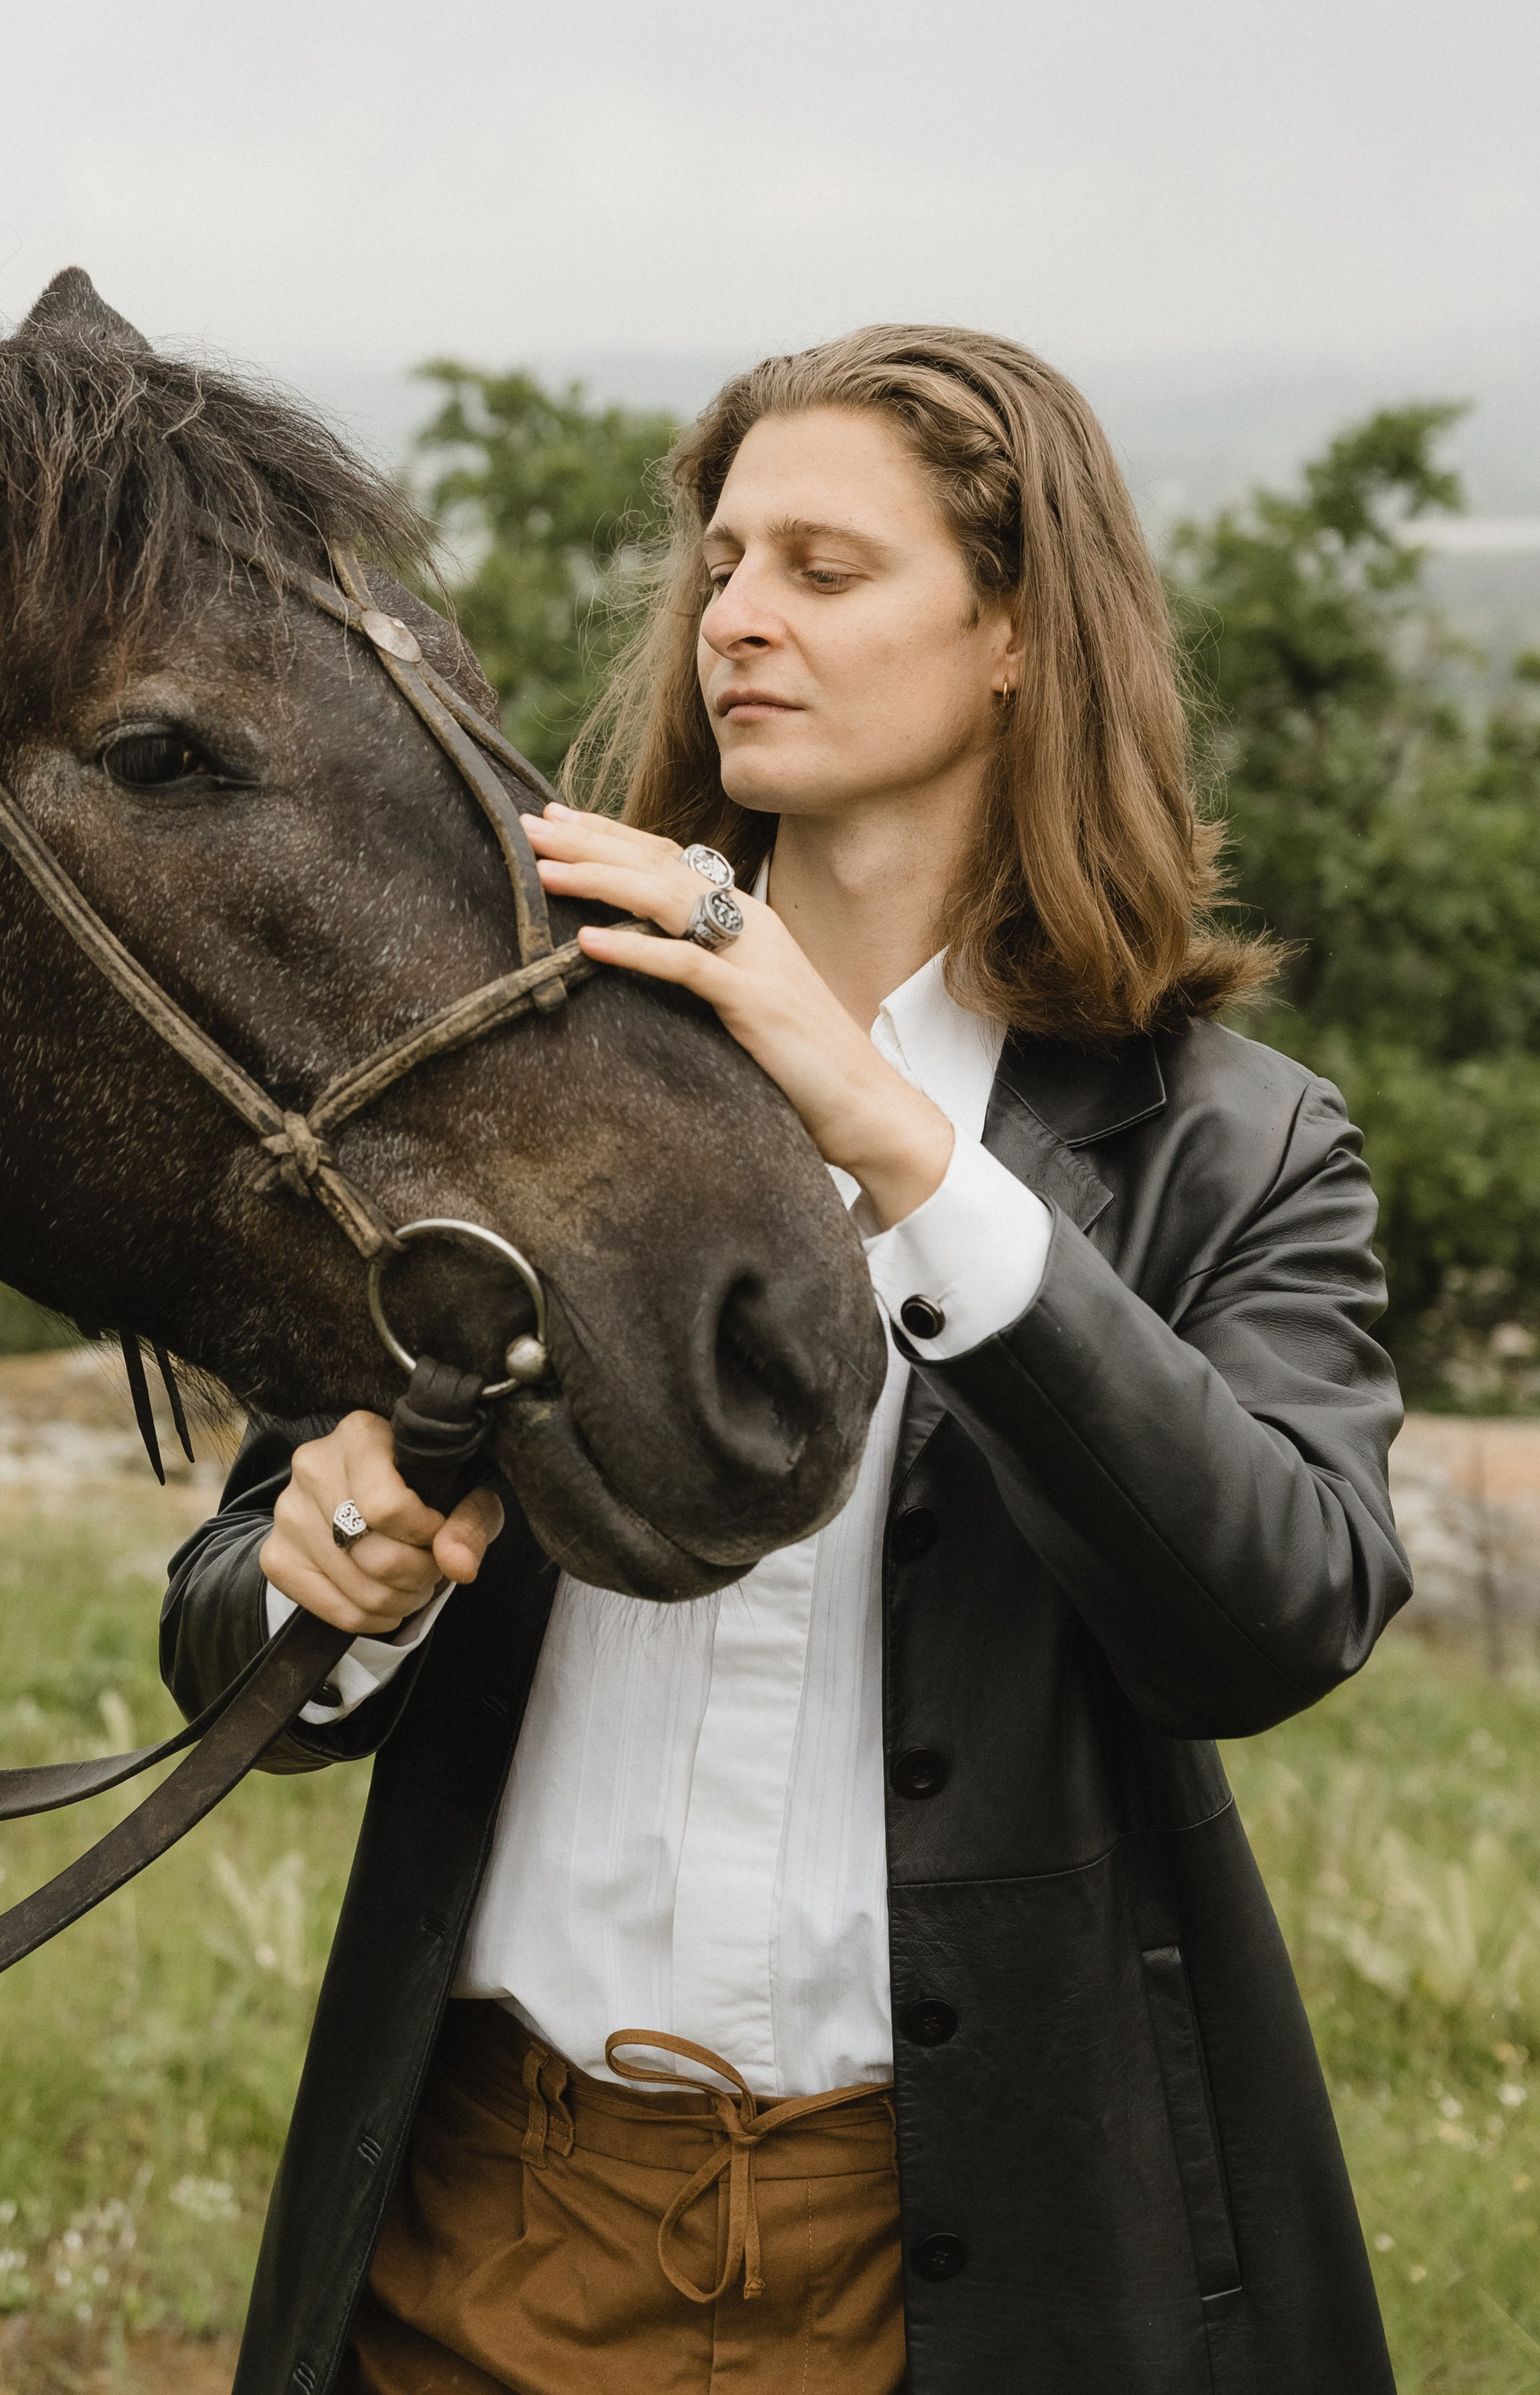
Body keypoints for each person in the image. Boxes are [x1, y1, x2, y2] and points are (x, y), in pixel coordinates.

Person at [161, 326, 1409, 2395]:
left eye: (826, 571)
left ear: (1018, 634)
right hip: (490, 2223)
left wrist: (902, 1147)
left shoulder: (1233, 1146)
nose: (737, 615)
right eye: (726, 564)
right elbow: (237, 1625)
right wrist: (333, 1582)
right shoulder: (515, 1053)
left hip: (974, 2261)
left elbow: (1279, 1614)